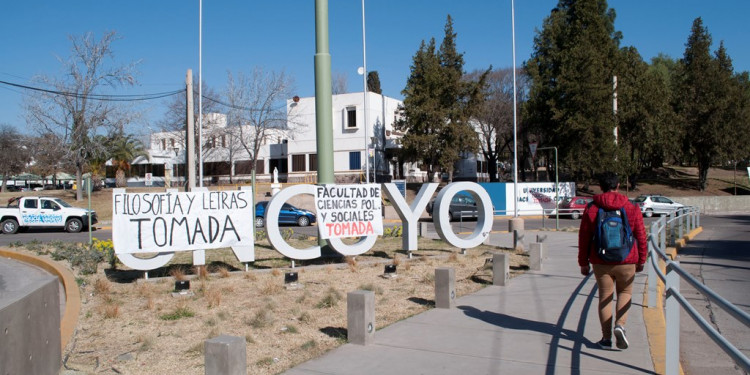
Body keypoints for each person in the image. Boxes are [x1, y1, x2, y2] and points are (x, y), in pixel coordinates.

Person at [578, 173, 647, 350]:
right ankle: (620, 325)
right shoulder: (631, 206)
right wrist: (641, 259)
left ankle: (606, 338)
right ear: (618, 186)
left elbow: (584, 237)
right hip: (627, 259)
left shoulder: (592, 207)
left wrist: (583, 262)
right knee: (625, 292)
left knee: (605, 297)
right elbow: (641, 235)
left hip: (601, 261)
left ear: (600, 187)